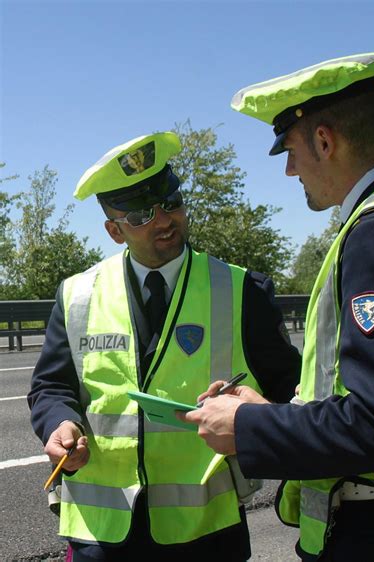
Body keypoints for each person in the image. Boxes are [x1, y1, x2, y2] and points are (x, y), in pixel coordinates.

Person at [179, 52, 374, 562]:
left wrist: (248, 428)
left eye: (290, 150)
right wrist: (271, 411)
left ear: (324, 141)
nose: (291, 169)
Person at [27, 131, 301, 561]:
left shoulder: (241, 289)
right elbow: (51, 387)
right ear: (114, 231)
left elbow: (292, 393)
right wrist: (60, 424)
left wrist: (252, 418)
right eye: (140, 215)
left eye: (171, 202)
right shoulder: (78, 294)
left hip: (206, 533)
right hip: (101, 533)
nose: (163, 220)